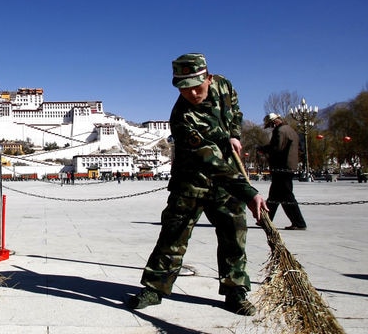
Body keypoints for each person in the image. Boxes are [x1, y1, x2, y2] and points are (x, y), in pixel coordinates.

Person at [127, 53, 268, 316]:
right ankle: (155, 288)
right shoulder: (182, 117)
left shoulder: (224, 85)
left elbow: (235, 110)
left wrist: (234, 134)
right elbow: (208, 160)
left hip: (227, 185)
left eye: (196, 86)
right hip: (192, 181)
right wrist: (249, 193)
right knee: (173, 236)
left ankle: (235, 289)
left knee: (234, 236)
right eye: (184, 88)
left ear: (209, 78)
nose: (192, 93)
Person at [259, 113, 307, 230]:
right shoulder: (291, 130)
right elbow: (300, 149)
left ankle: (299, 222)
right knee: (275, 195)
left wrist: (263, 149)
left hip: (281, 167)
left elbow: (277, 148)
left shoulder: (280, 131)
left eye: (271, 125)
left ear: (274, 122)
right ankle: (266, 221)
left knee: (287, 196)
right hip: (289, 166)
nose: (271, 128)